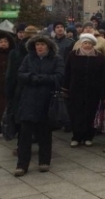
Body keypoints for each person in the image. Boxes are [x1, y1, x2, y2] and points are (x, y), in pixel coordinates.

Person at [14, 34, 64, 176]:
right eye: (37, 45)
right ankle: (22, 165)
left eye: (42, 44)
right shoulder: (29, 58)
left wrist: (42, 79)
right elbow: (20, 74)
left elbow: (60, 76)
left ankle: (44, 161)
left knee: (44, 134)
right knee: (25, 135)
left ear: (48, 46)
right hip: (29, 100)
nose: (39, 47)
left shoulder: (56, 59)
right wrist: (32, 77)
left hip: (47, 101)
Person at [63, 33, 105, 147]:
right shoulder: (73, 55)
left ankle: (88, 136)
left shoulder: (99, 57)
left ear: (93, 45)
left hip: (93, 91)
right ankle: (76, 136)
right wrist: (65, 88)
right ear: (81, 44)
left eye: (89, 43)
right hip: (76, 90)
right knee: (76, 113)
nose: (87, 45)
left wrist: (102, 90)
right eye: (85, 43)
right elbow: (67, 72)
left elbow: (103, 75)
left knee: (90, 113)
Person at [6, 26, 38, 152]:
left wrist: (9, 93)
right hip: (34, 90)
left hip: (20, 90)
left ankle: (22, 146)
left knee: (22, 120)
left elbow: (10, 75)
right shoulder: (40, 50)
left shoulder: (16, 51)